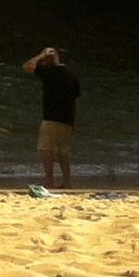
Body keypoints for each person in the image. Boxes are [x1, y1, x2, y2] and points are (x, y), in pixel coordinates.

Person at [23, 48, 82, 190]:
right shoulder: (71, 75)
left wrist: (40, 56)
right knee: (62, 151)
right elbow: (77, 100)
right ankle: (67, 181)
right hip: (67, 119)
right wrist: (74, 121)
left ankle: (49, 181)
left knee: (45, 149)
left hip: (51, 117)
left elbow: (27, 66)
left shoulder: (49, 72)